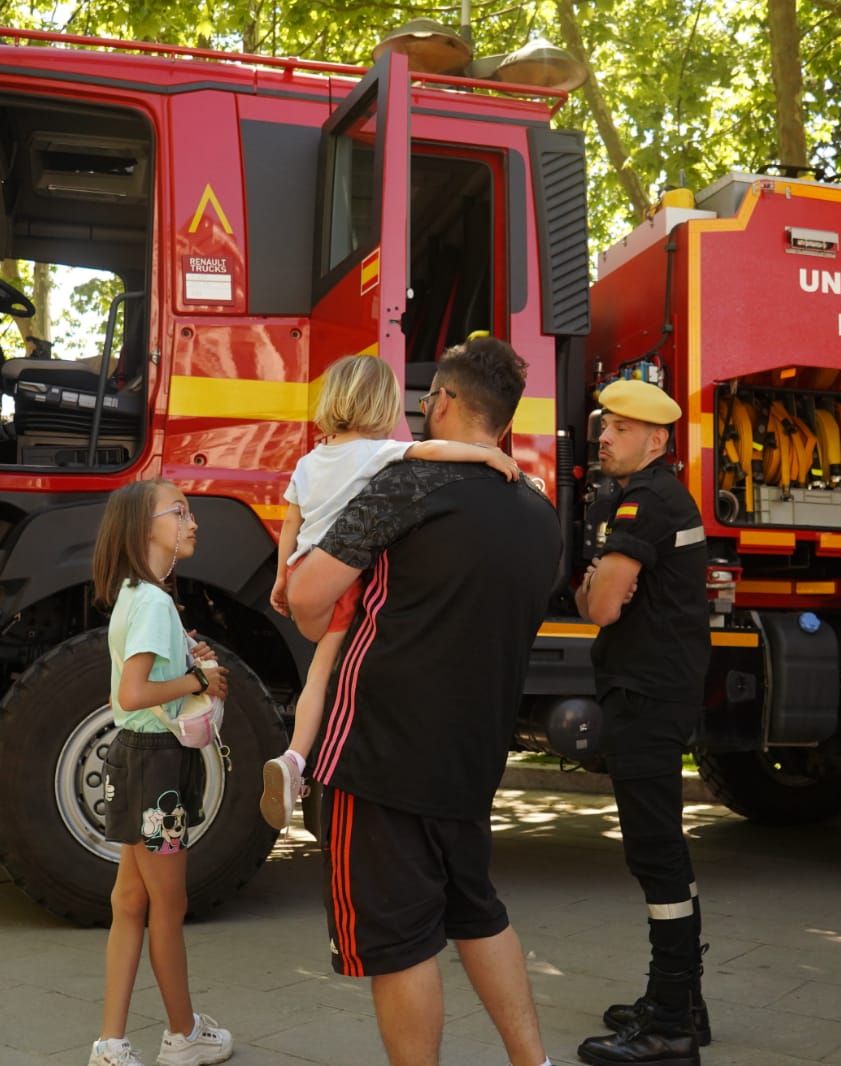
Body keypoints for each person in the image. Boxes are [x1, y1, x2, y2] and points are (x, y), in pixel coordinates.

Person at [287, 336, 561, 1066]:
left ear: (441, 401)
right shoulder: (540, 513)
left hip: (379, 752)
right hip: (472, 758)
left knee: (400, 944)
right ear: (502, 422)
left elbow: (308, 602)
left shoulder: (406, 485)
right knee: (477, 911)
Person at [262, 353, 519, 830]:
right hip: (343, 584)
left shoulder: (308, 461)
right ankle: (298, 760)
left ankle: (298, 758)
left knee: (322, 666)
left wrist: (282, 578)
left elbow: (291, 525)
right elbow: (433, 452)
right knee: (324, 674)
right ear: (384, 406)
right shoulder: (375, 454)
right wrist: (488, 454)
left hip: (303, 568)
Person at [572, 380, 711, 1066]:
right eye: (604, 425)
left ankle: (671, 1027)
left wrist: (595, 585)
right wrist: (600, 586)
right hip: (657, 689)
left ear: (656, 441)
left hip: (649, 695)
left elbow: (599, 605)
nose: (602, 436)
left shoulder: (647, 500)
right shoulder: (649, 496)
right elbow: (606, 595)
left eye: (619, 428)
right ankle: (681, 1002)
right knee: (659, 851)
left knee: (656, 852)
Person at [88, 479, 235, 1066]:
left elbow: (137, 682)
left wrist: (184, 656)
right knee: (167, 909)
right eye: (180, 512)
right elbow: (135, 689)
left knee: (129, 900)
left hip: (133, 759)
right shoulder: (153, 601)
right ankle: (181, 1035)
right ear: (144, 527)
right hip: (159, 772)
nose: (192, 521)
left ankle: (111, 1042)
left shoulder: (134, 595)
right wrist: (200, 681)